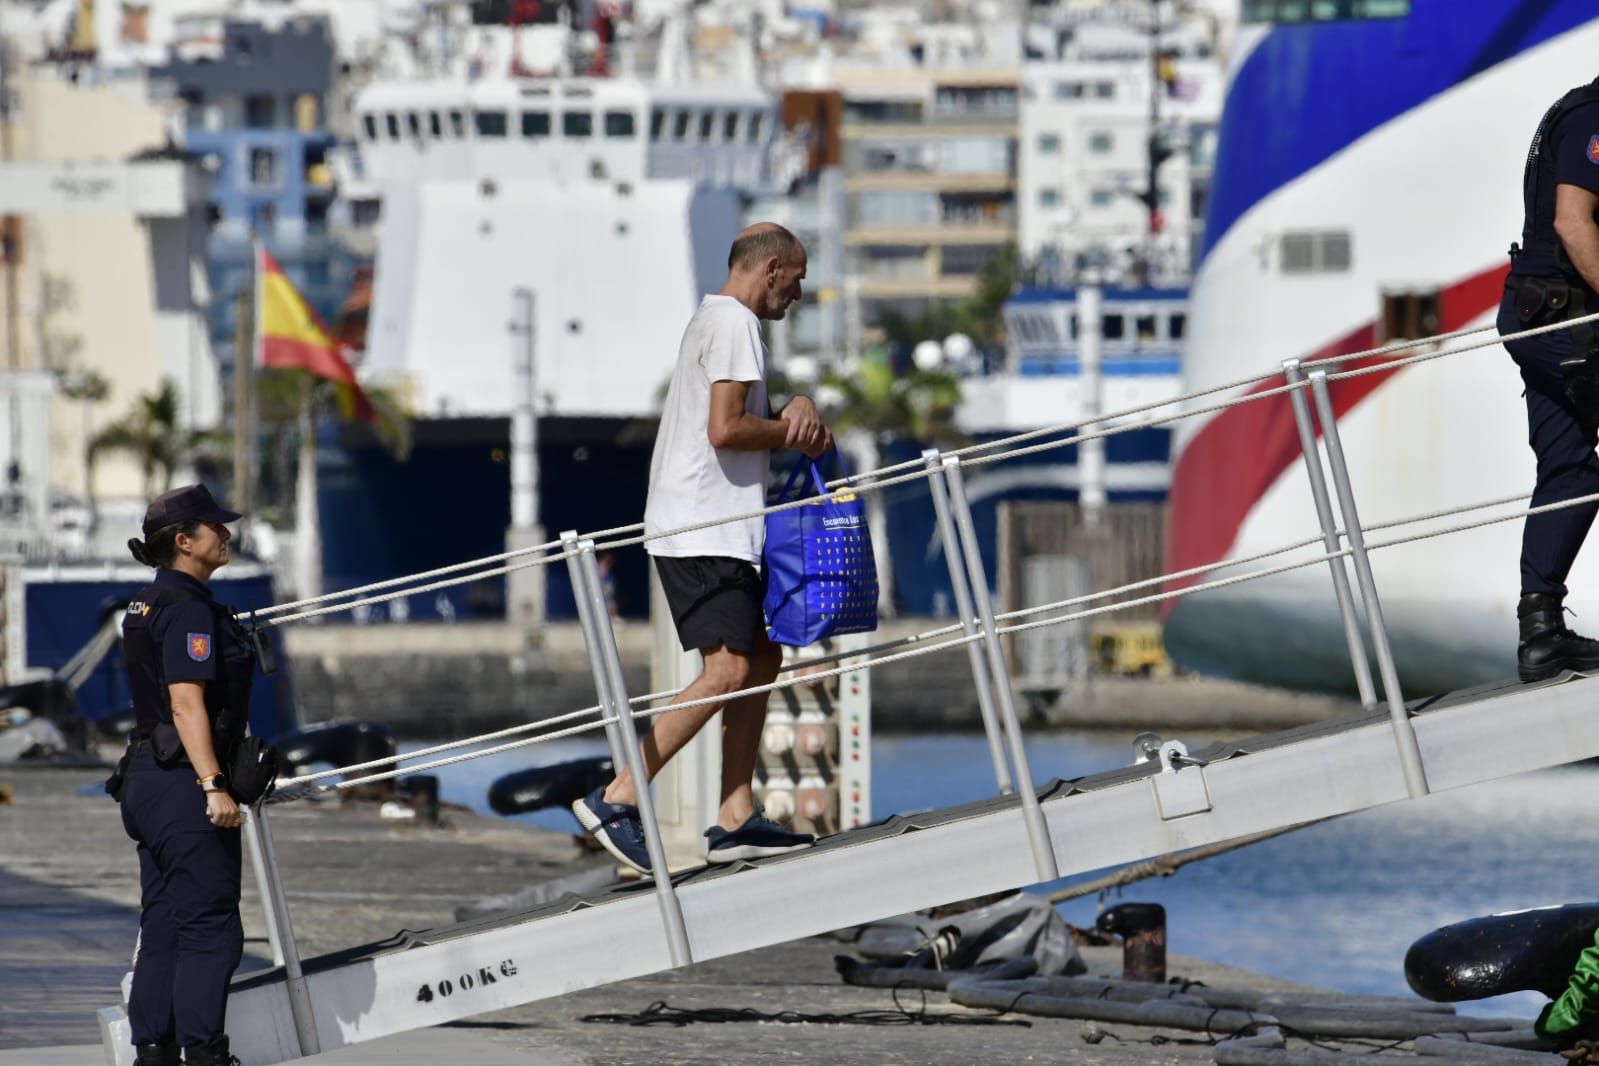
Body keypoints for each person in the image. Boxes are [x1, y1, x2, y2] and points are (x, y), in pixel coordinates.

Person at [574, 223, 831, 872]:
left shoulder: (717, 322)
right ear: (770, 268)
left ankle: (735, 814)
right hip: (701, 530)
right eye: (795, 279)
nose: (796, 294)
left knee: (762, 656)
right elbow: (726, 428)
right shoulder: (737, 324)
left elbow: (736, 418)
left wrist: (792, 407)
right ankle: (617, 796)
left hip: (708, 528)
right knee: (727, 672)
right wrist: (793, 435)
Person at [115, 484, 256, 1066]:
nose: (226, 535)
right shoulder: (190, 606)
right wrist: (213, 785)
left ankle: (153, 1052)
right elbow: (186, 703)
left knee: (166, 925)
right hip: (181, 783)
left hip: (145, 779)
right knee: (210, 928)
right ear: (184, 541)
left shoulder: (147, 602)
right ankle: (204, 1055)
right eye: (215, 528)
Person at [1500, 76, 1599, 682]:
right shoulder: (1594, 118)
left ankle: (1541, 633)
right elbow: (1572, 222)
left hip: (1538, 313)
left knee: (1571, 468)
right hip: (1567, 320)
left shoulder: (1576, 109)